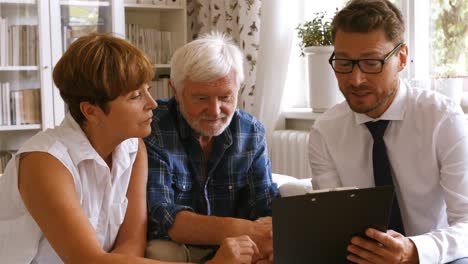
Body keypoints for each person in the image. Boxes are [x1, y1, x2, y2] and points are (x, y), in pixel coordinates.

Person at [0, 32, 258, 264]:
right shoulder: (44, 161)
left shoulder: (133, 149)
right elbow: (88, 260)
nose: (152, 103)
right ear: (91, 111)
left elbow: (131, 244)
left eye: (147, 90)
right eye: (135, 96)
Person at [308, 0, 468, 263]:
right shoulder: (325, 132)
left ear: (401, 58)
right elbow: (334, 228)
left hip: (434, 256)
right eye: (344, 62)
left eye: (372, 63)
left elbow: (466, 223)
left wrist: (413, 251)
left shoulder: (444, 120)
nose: (356, 79)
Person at [144, 31, 279, 263]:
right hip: (177, 248)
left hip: (239, 246)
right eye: (201, 98)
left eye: (226, 97)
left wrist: (269, 240)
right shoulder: (153, 127)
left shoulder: (250, 131)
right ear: (175, 91)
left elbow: (265, 204)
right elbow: (163, 215)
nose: (215, 111)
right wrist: (249, 230)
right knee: (160, 252)